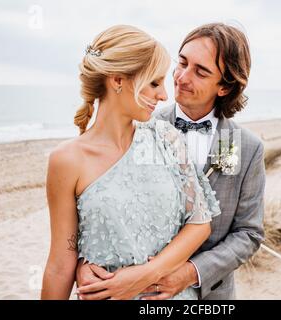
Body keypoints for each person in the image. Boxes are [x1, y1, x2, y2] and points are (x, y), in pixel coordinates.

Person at [76, 22, 265, 300]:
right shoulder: (139, 125)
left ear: (224, 87)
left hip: (209, 296)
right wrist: (86, 261)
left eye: (200, 72)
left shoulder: (246, 147)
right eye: (182, 62)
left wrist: (189, 273)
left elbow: (248, 233)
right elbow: (105, 202)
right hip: (134, 287)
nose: (181, 77)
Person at [41, 25, 221, 300]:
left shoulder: (167, 139)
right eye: (154, 83)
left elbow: (199, 223)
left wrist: (145, 276)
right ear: (117, 80)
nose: (164, 95)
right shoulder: (66, 161)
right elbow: (59, 264)